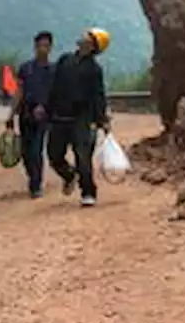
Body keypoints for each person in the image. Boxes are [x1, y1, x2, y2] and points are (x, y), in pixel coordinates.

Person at [45, 27, 111, 207]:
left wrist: (101, 119)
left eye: (87, 36)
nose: (82, 37)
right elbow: (54, 86)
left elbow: (98, 95)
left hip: (82, 118)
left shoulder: (94, 69)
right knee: (54, 155)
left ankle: (88, 192)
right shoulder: (65, 60)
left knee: (83, 157)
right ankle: (69, 174)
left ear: (92, 44)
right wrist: (47, 109)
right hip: (60, 116)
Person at [8, 32, 55, 198]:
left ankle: (36, 185)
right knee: (26, 151)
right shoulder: (25, 68)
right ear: (35, 47)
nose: (43, 49)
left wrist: (45, 107)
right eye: (40, 45)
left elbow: (55, 94)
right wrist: (11, 114)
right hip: (25, 115)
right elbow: (19, 91)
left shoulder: (54, 70)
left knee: (36, 149)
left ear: (50, 48)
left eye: (46, 45)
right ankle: (32, 175)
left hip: (43, 117)